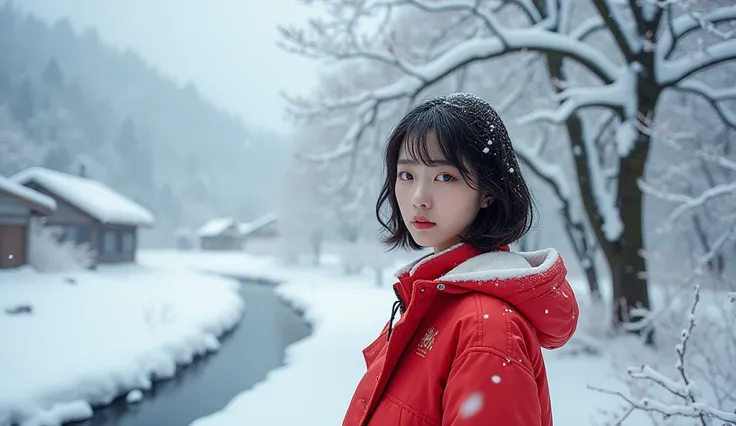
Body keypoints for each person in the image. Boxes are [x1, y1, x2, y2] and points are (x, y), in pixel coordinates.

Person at [341, 93, 579, 426]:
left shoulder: (487, 330)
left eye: (444, 177)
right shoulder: (431, 302)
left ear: (488, 191)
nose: (419, 199)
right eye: (407, 175)